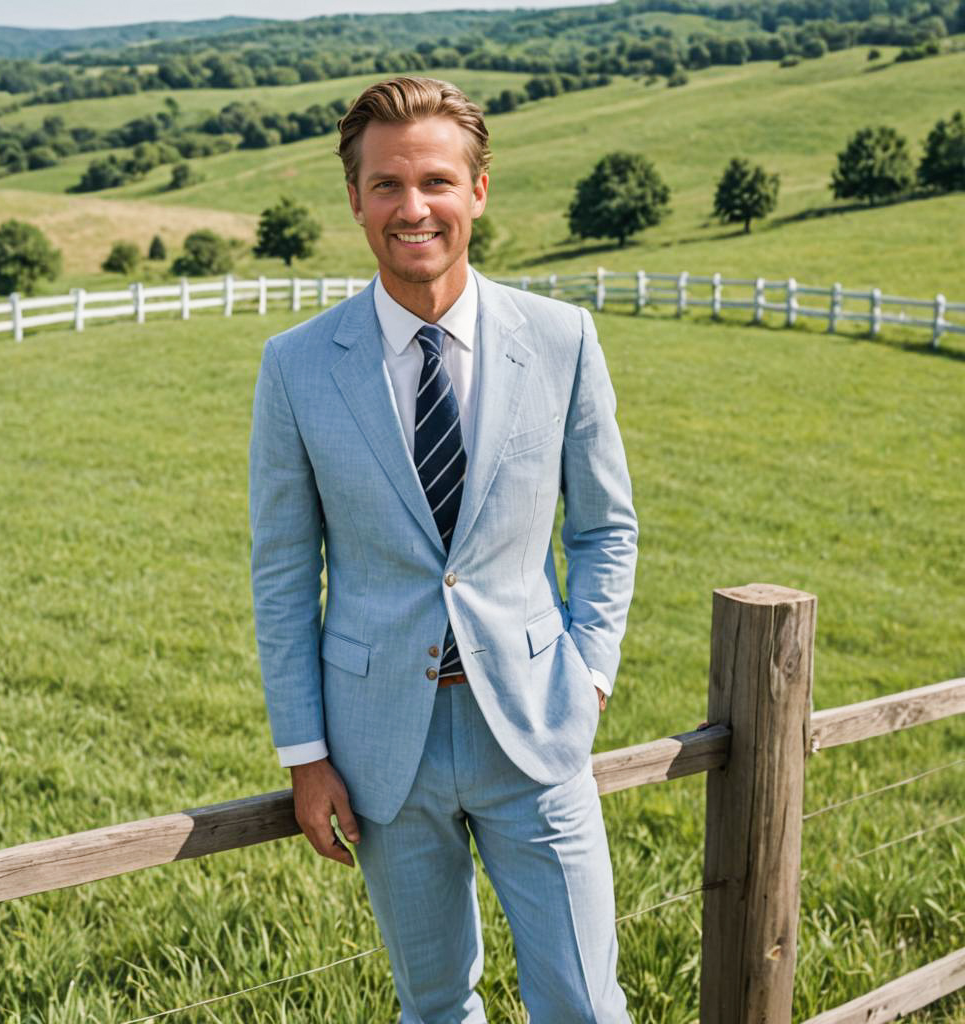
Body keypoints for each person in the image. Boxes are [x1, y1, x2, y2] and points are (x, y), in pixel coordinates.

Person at [249, 76, 638, 1024]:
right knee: (432, 1010)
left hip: (537, 729)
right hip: (382, 748)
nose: (411, 207)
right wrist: (305, 754)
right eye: (385, 184)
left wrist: (588, 674)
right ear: (353, 199)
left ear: (478, 191)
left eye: (434, 180)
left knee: (583, 1004)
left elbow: (604, 528)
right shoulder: (296, 367)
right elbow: (284, 574)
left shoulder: (561, 340)